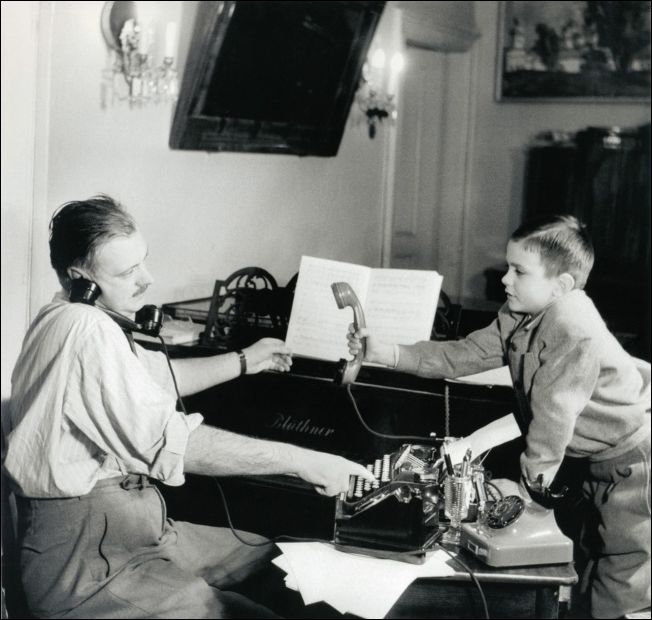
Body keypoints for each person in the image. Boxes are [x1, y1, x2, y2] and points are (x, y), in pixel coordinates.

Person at [2, 194, 374, 619]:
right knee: (242, 613)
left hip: (135, 531)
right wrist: (304, 461)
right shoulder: (85, 328)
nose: (148, 279)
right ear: (80, 278)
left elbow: (157, 376)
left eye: (143, 262)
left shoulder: (65, 314)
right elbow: (171, 443)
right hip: (91, 566)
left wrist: (244, 360)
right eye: (127, 272)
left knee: (279, 561)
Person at [348, 215, 651, 619]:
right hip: (596, 460)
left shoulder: (573, 325)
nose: (505, 279)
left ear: (561, 285)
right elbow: (464, 354)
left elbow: (554, 415)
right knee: (591, 562)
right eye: (508, 267)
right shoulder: (522, 312)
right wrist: (386, 352)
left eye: (519, 271)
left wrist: (528, 493)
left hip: (634, 463)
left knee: (624, 577)